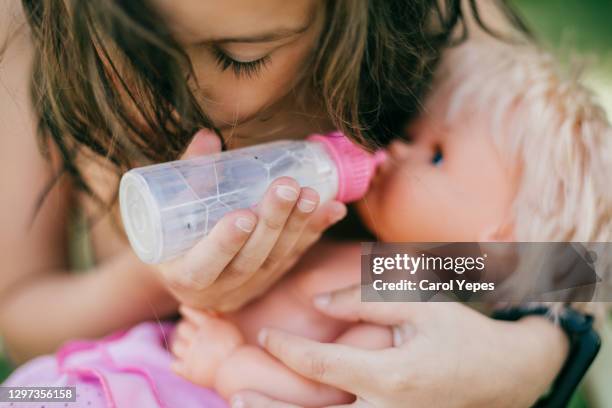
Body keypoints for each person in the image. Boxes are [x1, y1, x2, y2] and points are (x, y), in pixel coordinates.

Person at [0, 0, 578, 406]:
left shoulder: (439, 23)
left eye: (241, 55)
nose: (180, 98)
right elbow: (18, 310)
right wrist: (156, 280)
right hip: (119, 370)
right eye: (127, 54)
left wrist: (528, 359)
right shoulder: (23, 30)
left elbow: (573, 259)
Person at [169, 38, 612, 406]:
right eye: (412, 134)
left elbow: (323, 389)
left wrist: (227, 363)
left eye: (436, 154)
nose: (396, 149)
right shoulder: (370, 254)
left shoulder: (410, 301)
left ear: (500, 237)